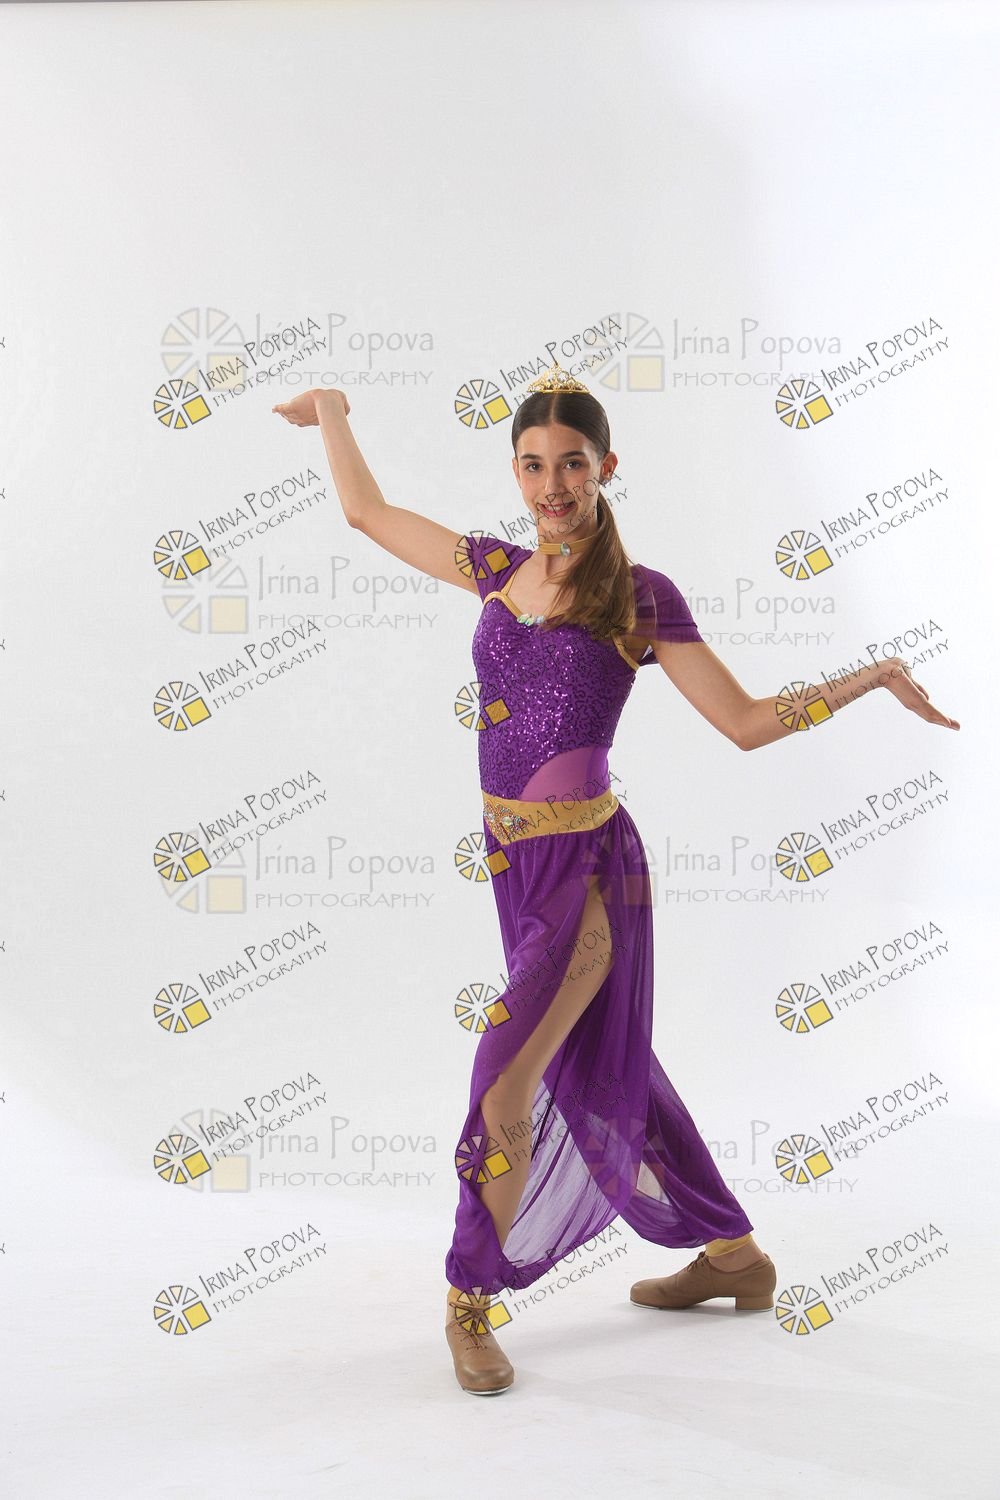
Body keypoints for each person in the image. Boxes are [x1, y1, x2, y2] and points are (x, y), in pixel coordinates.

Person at [273, 364, 959, 1397]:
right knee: (595, 1063)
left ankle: (468, 1297)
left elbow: (743, 722)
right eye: (532, 465)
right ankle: (734, 1255)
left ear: (605, 468)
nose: (551, 485)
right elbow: (368, 514)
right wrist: (330, 411)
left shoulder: (640, 598)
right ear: (515, 471)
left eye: (571, 464)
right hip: (512, 862)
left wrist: (861, 681)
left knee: (505, 1072)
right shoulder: (495, 568)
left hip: (588, 874)